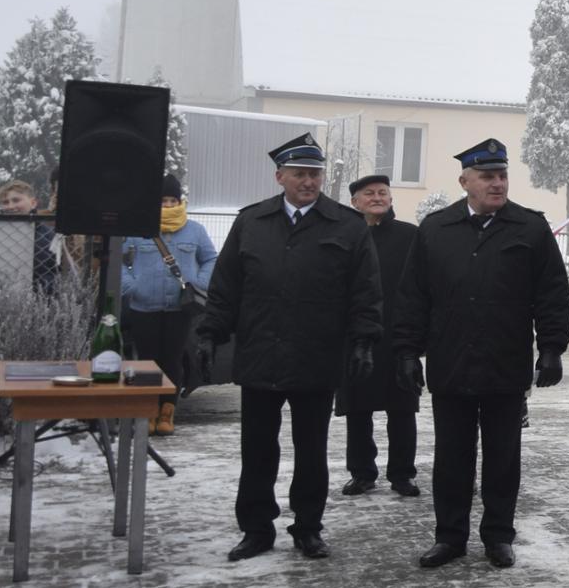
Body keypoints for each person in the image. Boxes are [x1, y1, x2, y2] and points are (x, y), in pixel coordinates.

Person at [196, 133, 381, 561]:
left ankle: (308, 527)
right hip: (261, 353)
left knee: (312, 450)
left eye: (314, 174)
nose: (308, 182)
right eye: (299, 174)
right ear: (280, 176)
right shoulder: (251, 222)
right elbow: (225, 286)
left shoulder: (346, 225)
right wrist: (209, 333)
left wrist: (364, 340)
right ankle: (257, 528)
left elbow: (366, 292)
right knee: (258, 448)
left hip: (316, 355)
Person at [393, 139, 569, 570]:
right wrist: (406, 351)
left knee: (502, 459)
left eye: (502, 175)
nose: (497, 183)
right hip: (451, 363)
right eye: (487, 176)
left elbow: (552, 295)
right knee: (451, 459)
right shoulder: (436, 230)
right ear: (465, 181)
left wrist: (551, 348)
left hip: (504, 366)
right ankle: (449, 537)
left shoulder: (529, 229)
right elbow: (413, 297)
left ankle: (498, 536)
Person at [335, 174, 422, 498]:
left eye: (382, 192)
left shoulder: (410, 236)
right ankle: (362, 473)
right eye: (368, 193)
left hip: (399, 335)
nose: (377, 197)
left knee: (402, 408)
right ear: (355, 202)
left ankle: (402, 474)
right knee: (358, 409)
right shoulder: (343, 236)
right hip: (355, 337)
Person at [120, 174, 217, 436]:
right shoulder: (137, 229)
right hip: (143, 306)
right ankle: (149, 411)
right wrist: (132, 286)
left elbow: (211, 258)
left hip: (180, 308)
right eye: (162, 200)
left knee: (172, 359)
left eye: (172, 200)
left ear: (180, 201)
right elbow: (117, 261)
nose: (167, 205)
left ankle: (167, 412)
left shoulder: (195, 230)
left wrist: (199, 282)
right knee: (148, 361)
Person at [0, 179, 58, 295]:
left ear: (33, 203)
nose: (11, 206)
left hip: (40, 300)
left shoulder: (50, 236)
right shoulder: (1, 234)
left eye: (16, 200)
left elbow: (55, 273)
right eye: (6, 202)